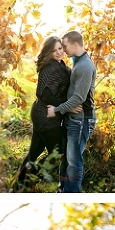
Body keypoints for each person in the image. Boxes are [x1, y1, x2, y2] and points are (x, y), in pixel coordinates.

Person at [15, 37, 72, 191]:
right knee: (59, 150)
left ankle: (19, 184)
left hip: (41, 111)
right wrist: (66, 107)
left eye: (60, 48)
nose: (59, 52)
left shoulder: (59, 65)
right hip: (46, 114)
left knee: (34, 152)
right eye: (54, 50)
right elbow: (46, 95)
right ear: (48, 53)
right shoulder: (51, 68)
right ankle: (30, 178)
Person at [47, 30, 96, 193]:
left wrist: (57, 110)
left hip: (81, 120)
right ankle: (63, 189)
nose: (64, 49)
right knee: (66, 158)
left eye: (65, 46)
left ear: (75, 45)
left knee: (74, 161)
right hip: (73, 118)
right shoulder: (77, 61)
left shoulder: (85, 66)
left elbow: (78, 98)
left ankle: (72, 193)